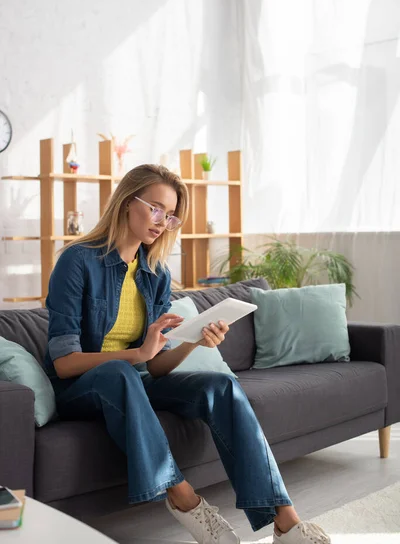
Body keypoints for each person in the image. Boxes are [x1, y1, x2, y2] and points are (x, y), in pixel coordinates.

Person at [44, 164, 331, 544]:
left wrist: (195, 340)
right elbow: (64, 364)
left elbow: (157, 367)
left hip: (136, 381)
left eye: (172, 215)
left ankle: (287, 522)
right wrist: (137, 354)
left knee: (221, 386)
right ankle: (185, 500)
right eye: (156, 208)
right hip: (82, 389)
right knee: (120, 373)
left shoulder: (156, 274)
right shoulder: (77, 261)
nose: (163, 222)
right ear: (128, 202)